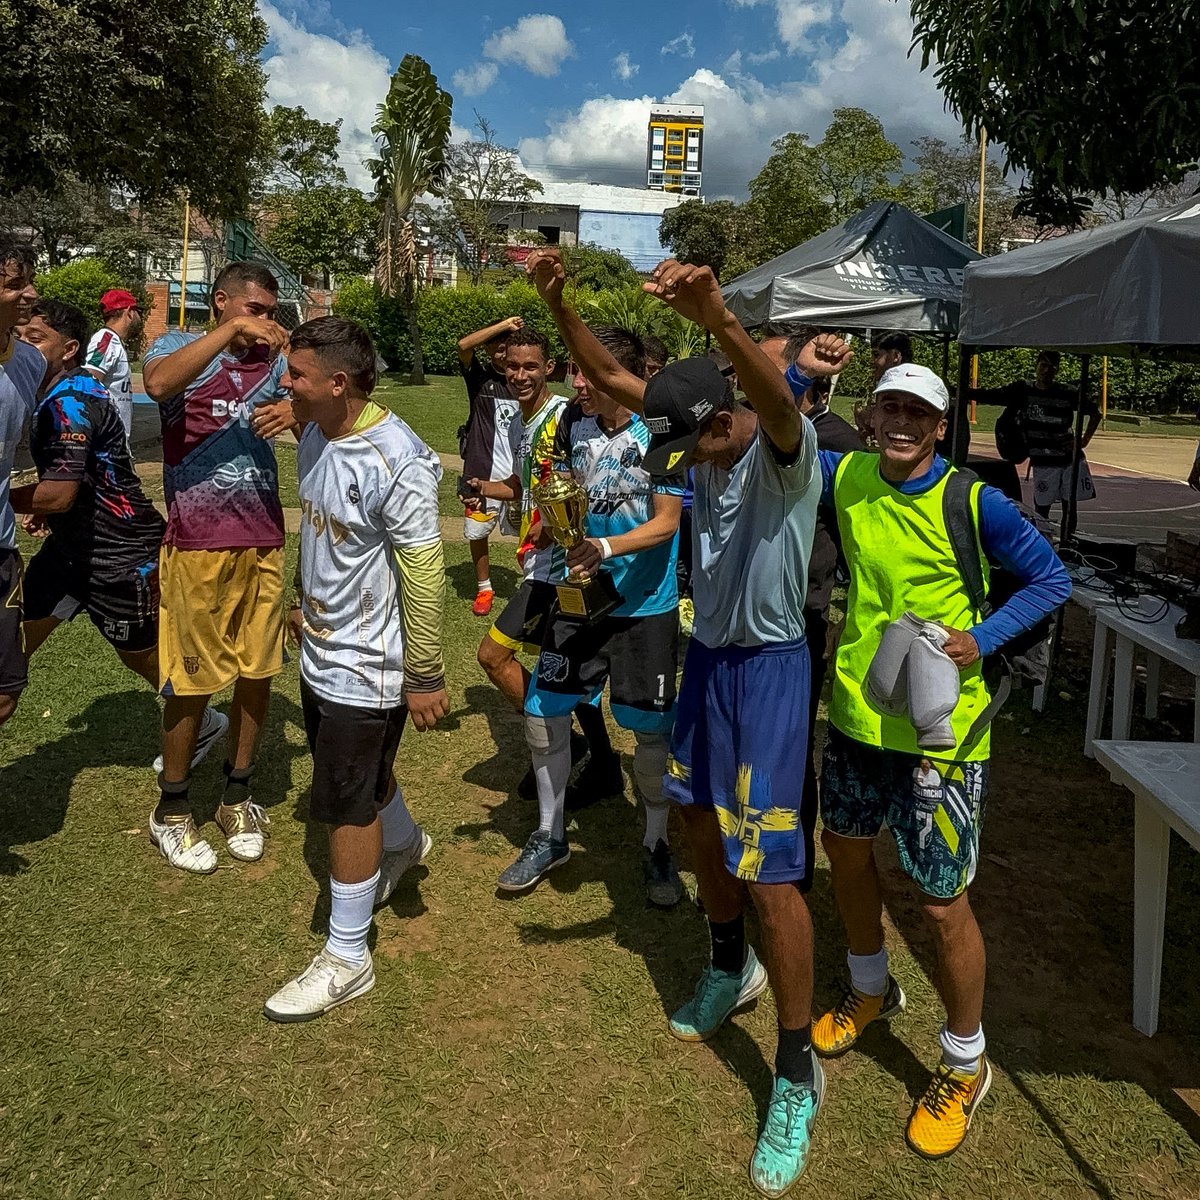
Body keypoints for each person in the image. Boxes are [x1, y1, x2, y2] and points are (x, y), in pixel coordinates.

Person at [529, 246, 850, 1196]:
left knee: (774, 872)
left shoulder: (784, 453)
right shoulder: (699, 442)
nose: (684, 465)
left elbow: (777, 399)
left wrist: (718, 318)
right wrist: (559, 306)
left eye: (692, 444)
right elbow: (614, 379)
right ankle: (727, 966)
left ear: (729, 416)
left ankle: (796, 1069)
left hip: (773, 675)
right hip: (707, 663)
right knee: (704, 824)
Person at [812, 363, 1070, 1159]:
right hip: (858, 715)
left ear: (941, 423)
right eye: (889, 405)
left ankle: (966, 1060)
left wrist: (980, 641)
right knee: (846, 855)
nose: (901, 422)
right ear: (867, 413)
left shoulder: (975, 500)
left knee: (939, 901)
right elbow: (771, 427)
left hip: (942, 736)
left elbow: (1051, 579)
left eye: (918, 412)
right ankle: (868, 988)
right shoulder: (844, 472)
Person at [263, 316, 447, 1021]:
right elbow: (325, 532)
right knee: (359, 774)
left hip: (368, 665)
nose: (287, 386)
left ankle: (348, 956)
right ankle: (404, 841)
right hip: (321, 646)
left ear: (338, 383)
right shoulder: (317, 428)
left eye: (299, 377)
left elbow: (425, 568)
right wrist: (303, 601)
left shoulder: (395, 459)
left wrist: (425, 671)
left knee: (343, 798)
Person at [502, 324, 685, 905]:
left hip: (643, 607)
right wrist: (558, 544)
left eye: (588, 371)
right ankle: (549, 834)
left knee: (650, 739)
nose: (576, 382)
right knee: (541, 714)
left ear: (620, 375)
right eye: (575, 371)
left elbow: (667, 522)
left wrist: (604, 548)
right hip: (578, 598)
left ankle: (657, 844)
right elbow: (555, 497)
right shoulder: (565, 425)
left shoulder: (659, 430)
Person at [140, 261, 294, 874]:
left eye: (273, 313)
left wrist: (298, 415)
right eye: (257, 309)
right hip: (198, 541)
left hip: (264, 536)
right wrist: (230, 336)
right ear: (222, 302)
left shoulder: (277, 361)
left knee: (258, 669)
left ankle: (237, 794)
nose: (268, 323)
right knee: (193, 679)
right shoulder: (180, 344)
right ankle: (171, 810)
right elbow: (157, 387)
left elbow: (334, 402)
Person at [471, 328, 617, 798]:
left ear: (548, 368)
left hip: (564, 568)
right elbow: (523, 482)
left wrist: (553, 528)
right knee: (571, 670)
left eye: (530, 367)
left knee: (493, 656)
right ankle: (592, 755)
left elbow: (586, 482)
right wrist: (485, 488)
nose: (520, 375)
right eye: (512, 367)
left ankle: (569, 744)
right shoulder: (519, 420)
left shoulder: (566, 417)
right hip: (541, 567)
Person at [11, 301, 165, 697]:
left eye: (37, 339)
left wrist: (20, 499)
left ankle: (200, 723)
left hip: (122, 555)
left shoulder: (70, 401)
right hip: (69, 549)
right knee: (13, 641)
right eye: (19, 337)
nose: (24, 348)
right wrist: (43, 506)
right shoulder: (52, 391)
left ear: (69, 349)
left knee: (142, 656)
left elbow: (60, 494)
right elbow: (70, 483)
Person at [972, 351, 1101, 536]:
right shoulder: (1023, 390)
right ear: (1036, 366)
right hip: (1043, 461)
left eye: (1052, 368)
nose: (1047, 371)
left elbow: (1095, 412)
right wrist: (963, 391)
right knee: (1041, 508)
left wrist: (1083, 441)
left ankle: (1068, 544)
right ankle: (1042, 546)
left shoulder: (1068, 393)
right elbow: (993, 395)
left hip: (1069, 459)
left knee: (1070, 506)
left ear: (1057, 370)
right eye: (1044, 366)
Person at [0, 239, 47, 731]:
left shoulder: (29, 363)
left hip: (2, 551)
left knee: (5, 694)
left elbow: (15, 448)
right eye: (15, 285)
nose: (30, 294)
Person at [457, 316, 522, 616]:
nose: (501, 352)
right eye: (495, 347)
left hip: (519, 474)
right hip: (482, 472)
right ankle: (484, 588)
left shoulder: (524, 381)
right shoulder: (480, 379)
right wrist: (503, 326)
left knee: (530, 530)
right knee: (478, 531)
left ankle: (532, 581)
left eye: (507, 346)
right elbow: (463, 345)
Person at [84, 289, 142, 444]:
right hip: (106, 445)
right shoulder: (106, 340)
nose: (139, 317)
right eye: (138, 311)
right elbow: (89, 382)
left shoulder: (113, 341)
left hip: (114, 443)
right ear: (129, 312)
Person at [857, 332, 914, 442]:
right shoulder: (889, 385)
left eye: (876, 355)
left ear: (896, 356)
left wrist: (870, 423)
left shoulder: (908, 389)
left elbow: (901, 430)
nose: (871, 361)